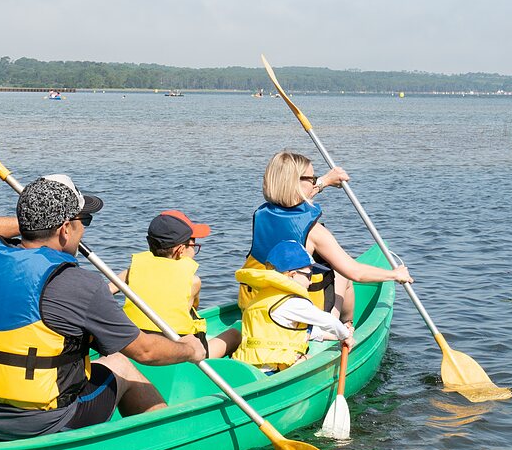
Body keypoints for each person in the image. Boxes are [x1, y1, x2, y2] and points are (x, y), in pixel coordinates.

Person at [0, 174, 205, 440]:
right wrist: (190, 349)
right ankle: (164, 441)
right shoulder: (80, 284)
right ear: (65, 229)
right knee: (120, 363)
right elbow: (146, 351)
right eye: (83, 221)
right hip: (40, 423)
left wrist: (33, 223)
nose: (83, 229)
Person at [240, 150, 412, 324]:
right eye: (312, 178)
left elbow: (295, 196)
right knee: (341, 273)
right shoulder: (315, 232)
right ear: (296, 183)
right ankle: (346, 326)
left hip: (256, 304)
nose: (315, 181)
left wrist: (326, 181)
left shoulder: (261, 215)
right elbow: (356, 272)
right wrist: (395, 274)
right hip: (299, 317)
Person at [113, 210, 241, 360]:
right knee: (235, 334)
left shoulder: (131, 271)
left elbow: (106, 291)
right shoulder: (193, 281)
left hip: (136, 345)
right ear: (180, 250)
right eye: (194, 244)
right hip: (179, 351)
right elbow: (185, 314)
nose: (195, 249)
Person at [233, 240, 355, 373]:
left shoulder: (263, 298)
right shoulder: (293, 302)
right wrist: (345, 336)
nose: (310, 281)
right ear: (292, 275)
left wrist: (331, 335)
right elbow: (329, 321)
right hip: (274, 369)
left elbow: (287, 331)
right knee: (310, 358)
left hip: (248, 367)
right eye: (309, 276)